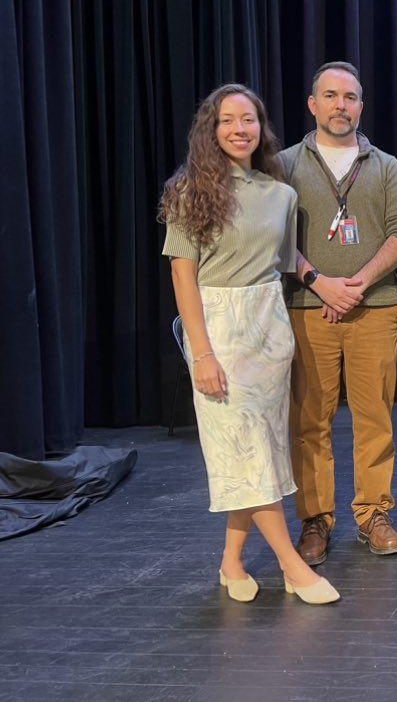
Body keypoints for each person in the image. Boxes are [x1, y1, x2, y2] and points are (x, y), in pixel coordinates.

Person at [160, 84, 339, 605]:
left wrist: (327, 285)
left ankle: (231, 560)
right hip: (218, 328)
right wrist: (203, 353)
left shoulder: (280, 193)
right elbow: (182, 275)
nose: (240, 129)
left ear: (262, 128)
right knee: (250, 452)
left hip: (269, 328)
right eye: (228, 120)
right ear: (210, 130)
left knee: (258, 451)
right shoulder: (189, 190)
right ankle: (293, 567)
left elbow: (286, 264)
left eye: (249, 120)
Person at [279, 62, 397, 563]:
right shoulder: (284, 164)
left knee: (374, 417)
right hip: (306, 308)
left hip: (375, 308)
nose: (342, 105)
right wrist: (320, 283)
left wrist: (358, 284)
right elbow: (273, 237)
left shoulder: (385, 166)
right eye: (331, 95)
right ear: (313, 104)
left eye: (351, 97)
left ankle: (373, 514)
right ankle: (315, 521)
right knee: (310, 422)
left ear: (361, 105)